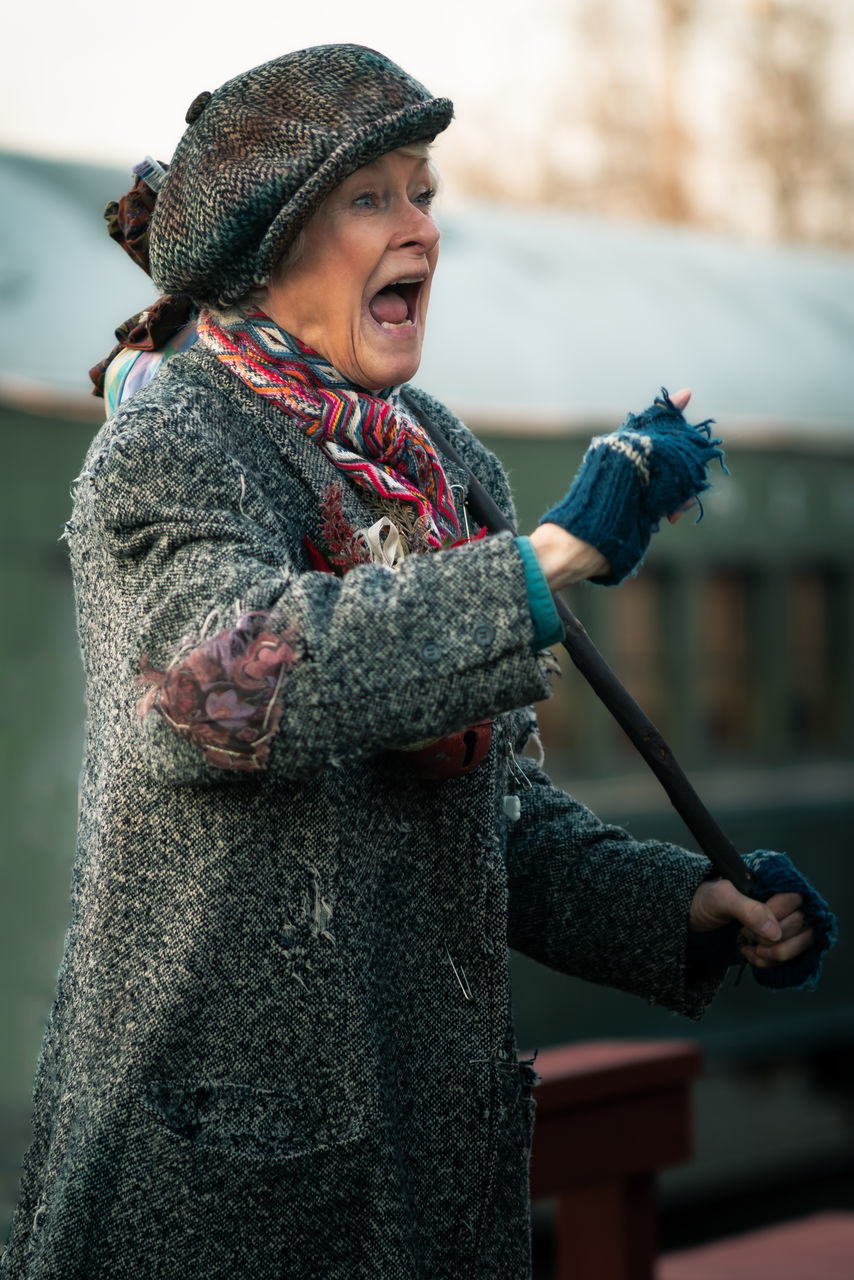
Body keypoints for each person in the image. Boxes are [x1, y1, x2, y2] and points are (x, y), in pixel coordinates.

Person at [2, 44, 824, 1280]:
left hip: (430, 1187)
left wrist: (678, 907)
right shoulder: (172, 441)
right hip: (229, 1209)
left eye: (424, 190)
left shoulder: (442, 465)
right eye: (371, 197)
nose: (421, 229)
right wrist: (538, 568)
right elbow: (223, 688)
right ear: (270, 245)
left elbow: (493, 814)